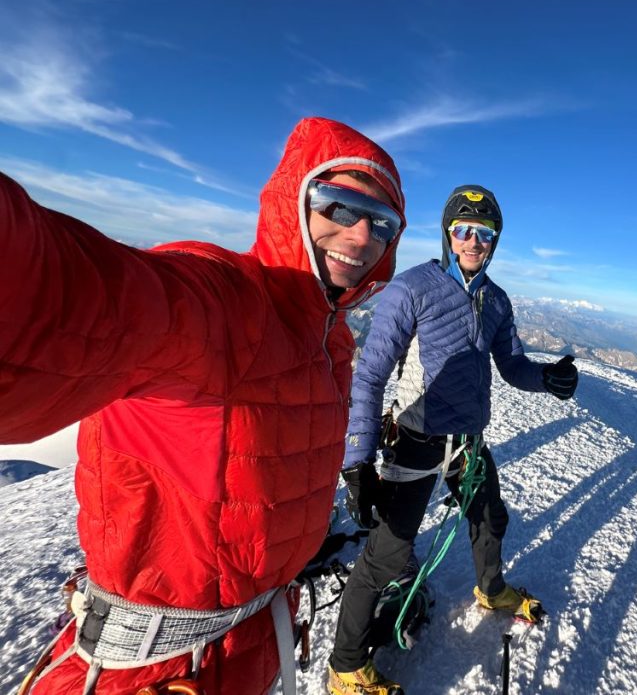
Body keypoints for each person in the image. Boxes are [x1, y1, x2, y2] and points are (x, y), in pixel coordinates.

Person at [0, 117, 406, 695]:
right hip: (152, 670)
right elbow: (69, 297)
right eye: (339, 206)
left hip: (247, 650)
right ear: (294, 202)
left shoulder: (329, 336)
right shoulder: (224, 304)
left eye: (382, 223)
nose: (362, 235)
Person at [327, 185, 579, 694]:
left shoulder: (496, 300)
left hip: (466, 443)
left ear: (494, 241)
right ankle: (345, 667)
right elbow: (370, 374)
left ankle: (491, 590)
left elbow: (511, 365)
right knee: (387, 556)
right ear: (447, 234)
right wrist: (358, 460)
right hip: (416, 440)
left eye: (484, 233)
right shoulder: (412, 288)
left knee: (489, 518)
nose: (472, 241)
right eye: (463, 230)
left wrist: (546, 377)